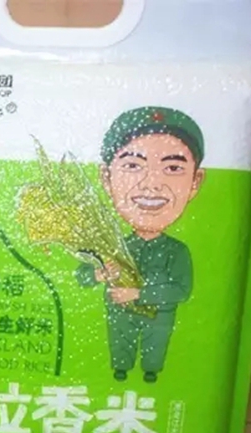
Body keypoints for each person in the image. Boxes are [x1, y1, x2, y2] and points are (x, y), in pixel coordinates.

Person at [76, 107, 206, 384]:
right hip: (119, 313)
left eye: (173, 168)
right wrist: (98, 274)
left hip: (160, 314)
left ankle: (151, 372)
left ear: (195, 182)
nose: (152, 185)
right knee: (120, 341)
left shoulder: (177, 251)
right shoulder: (112, 244)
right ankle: (120, 370)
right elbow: (80, 276)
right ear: (106, 178)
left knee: (155, 343)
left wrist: (139, 293)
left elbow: (181, 290)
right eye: (133, 166)